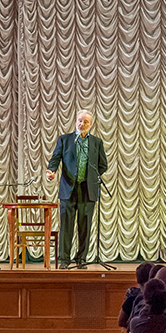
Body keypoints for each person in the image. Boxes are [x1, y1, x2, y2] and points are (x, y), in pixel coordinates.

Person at [45, 109, 109, 268]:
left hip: (88, 190)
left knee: (85, 227)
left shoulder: (96, 142)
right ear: (76, 122)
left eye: (85, 122)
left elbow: (103, 165)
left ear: (91, 124)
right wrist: (51, 171)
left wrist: (92, 178)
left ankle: (81, 259)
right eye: (80, 121)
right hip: (68, 189)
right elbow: (55, 159)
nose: (82, 124)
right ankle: (64, 260)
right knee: (66, 226)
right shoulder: (65, 140)